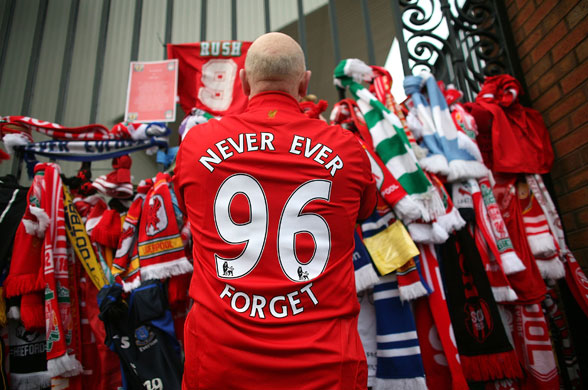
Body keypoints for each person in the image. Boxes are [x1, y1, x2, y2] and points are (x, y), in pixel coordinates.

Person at [174, 32, 377, 390]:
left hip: (220, 365)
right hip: (326, 366)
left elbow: (191, 210)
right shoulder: (348, 149)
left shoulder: (196, 145)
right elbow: (365, 210)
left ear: (242, 80)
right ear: (305, 82)